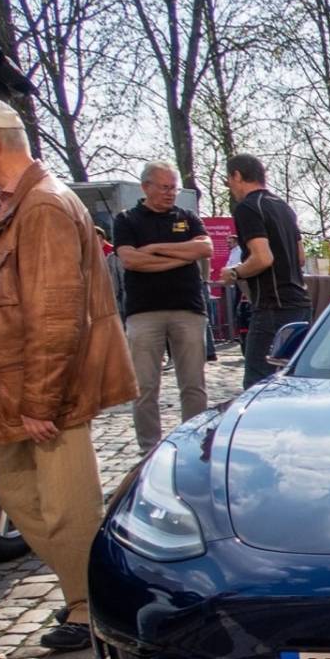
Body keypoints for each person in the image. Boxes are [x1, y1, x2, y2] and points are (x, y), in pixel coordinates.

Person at [0, 94, 135, 650]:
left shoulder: (45, 206)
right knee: (18, 491)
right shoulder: (19, 203)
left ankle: (90, 604)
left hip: (45, 388)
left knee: (64, 502)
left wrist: (41, 400)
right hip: (16, 383)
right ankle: (88, 593)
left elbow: (56, 314)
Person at [113, 161, 212, 452]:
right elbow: (130, 260)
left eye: (174, 187)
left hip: (188, 309)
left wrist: (155, 248)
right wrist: (182, 256)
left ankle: (193, 443)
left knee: (193, 384)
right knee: (145, 387)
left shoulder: (188, 216)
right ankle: (149, 448)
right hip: (144, 312)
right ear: (146, 187)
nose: (171, 193)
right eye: (165, 187)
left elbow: (204, 248)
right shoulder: (127, 219)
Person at [220, 153, 310, 388]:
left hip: (272, 305)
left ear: (237, 175)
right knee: (290, 380)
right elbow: (300, 257)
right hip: (300, 304)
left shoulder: (248, 208)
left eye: (229, 180)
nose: (230, 187)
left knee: (257, 383)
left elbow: (262, 258)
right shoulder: (283, 207)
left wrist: (235, 272)